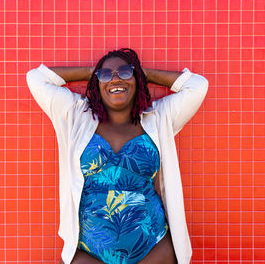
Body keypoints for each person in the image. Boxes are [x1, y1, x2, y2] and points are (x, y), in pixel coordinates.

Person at [26, 48, 208, 264]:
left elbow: (197, 86)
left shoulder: (159, 117)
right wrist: (90, 71)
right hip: (89, 252)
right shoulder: (77, 115)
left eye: (123, 72)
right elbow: (36, 78)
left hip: (153, 248)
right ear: (97, 83)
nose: (114, 79)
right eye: (105, 75)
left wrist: (141, 73)